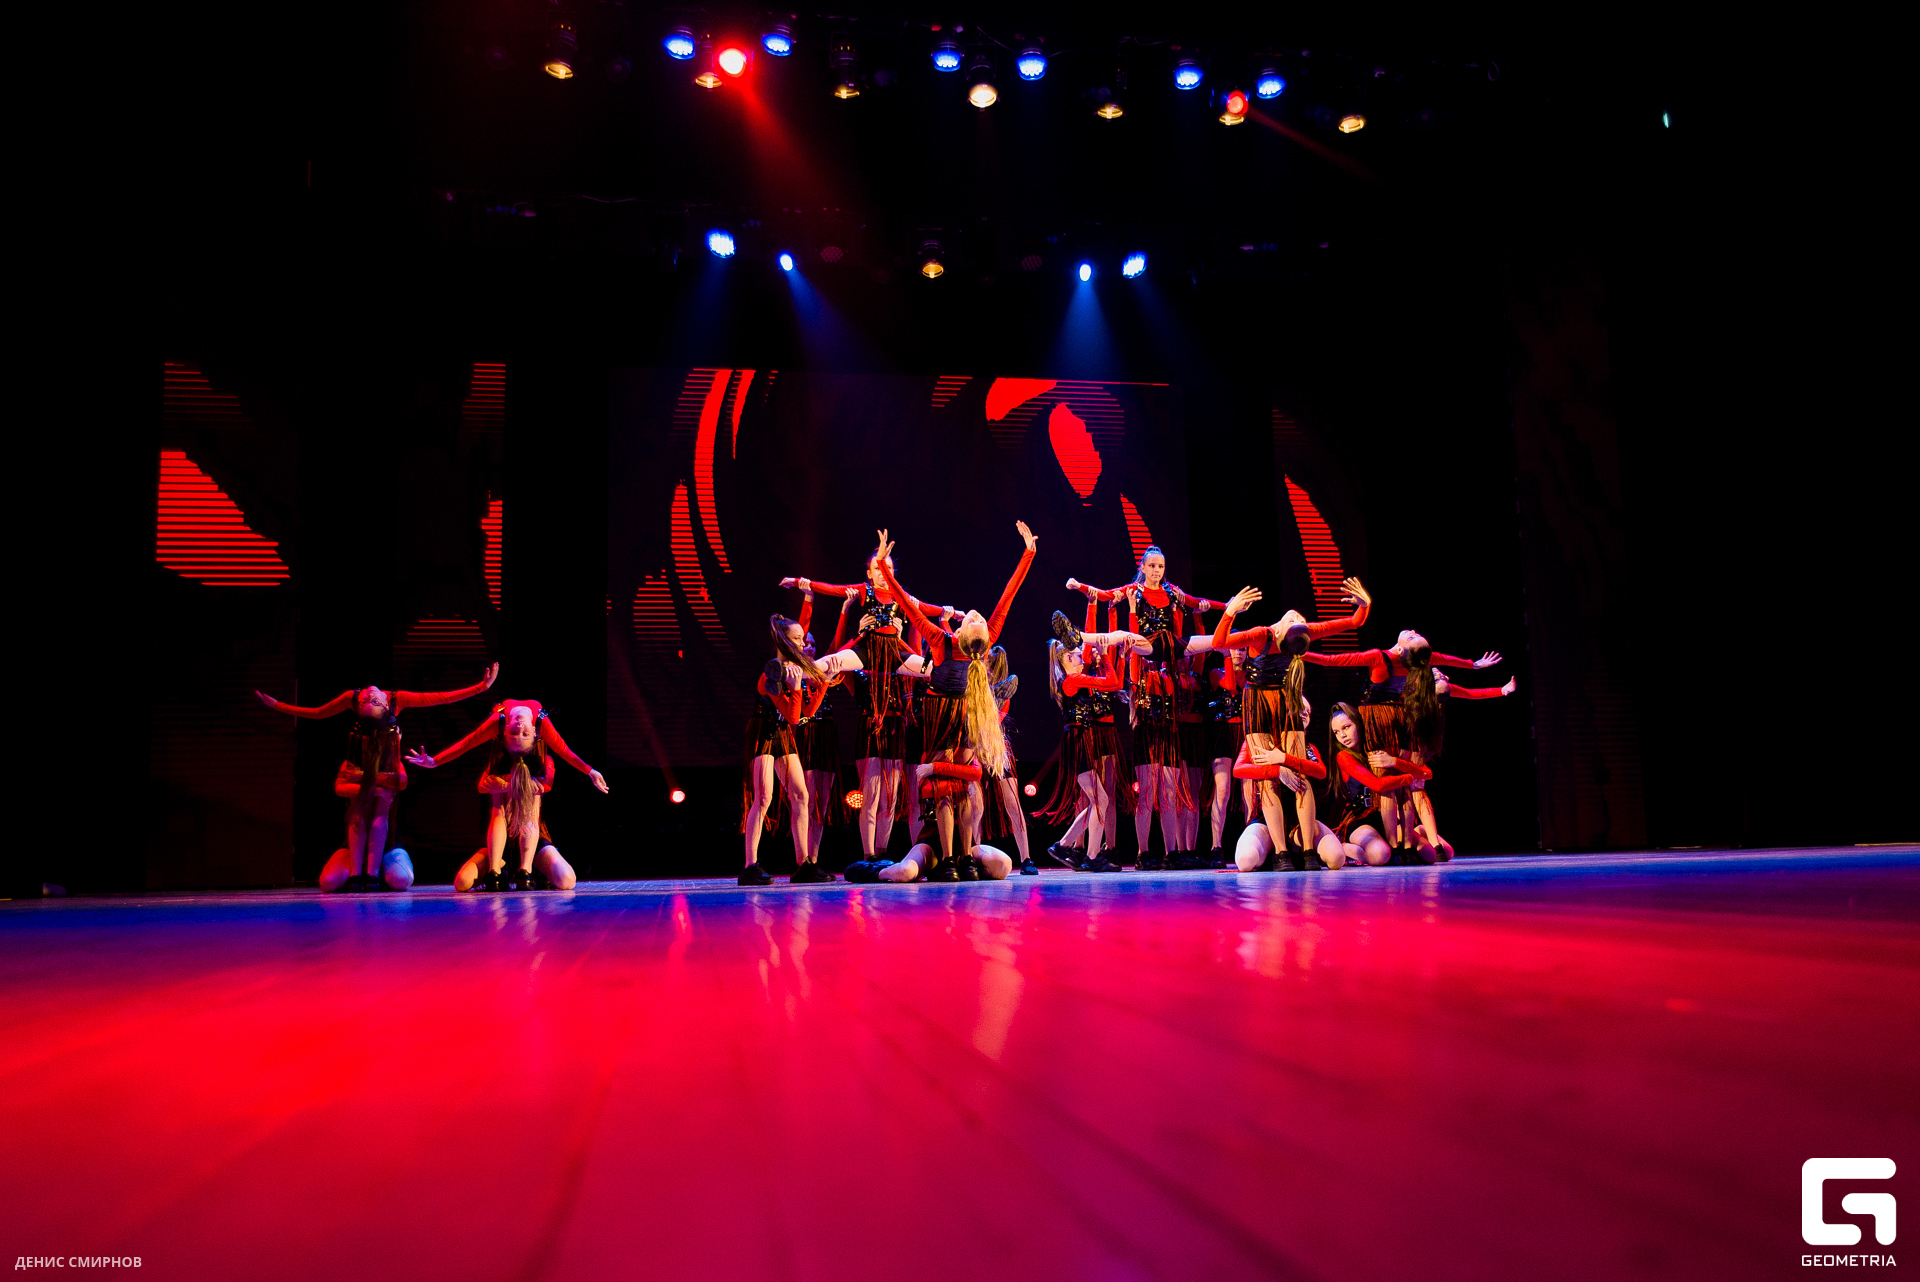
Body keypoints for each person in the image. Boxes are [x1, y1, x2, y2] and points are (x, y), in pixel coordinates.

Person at [871, 522, 1035, 879]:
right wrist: (1028, 554)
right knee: (950, 786)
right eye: (977, 619)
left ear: (962, 634)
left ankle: (956, 857)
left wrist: (882, 565)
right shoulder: (978, 639)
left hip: (955, 711)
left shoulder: (941, 639)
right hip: (954, 711)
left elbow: (905, 602)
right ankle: (949, 857)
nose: (975, 614)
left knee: (959, 786)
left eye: (975, 619)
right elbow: (1008, 596)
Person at [254, 665, 499, 891]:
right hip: (354, 845)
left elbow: (438, 698)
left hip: (389, 843)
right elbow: (319, 713)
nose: (367, 695)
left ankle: (372, 872)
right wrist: (278, 706)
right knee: (329, 881)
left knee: (399, 877)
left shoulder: (392, 749)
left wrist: (481, 687)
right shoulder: (351, 761)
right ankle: (359, 872)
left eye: (370, 701)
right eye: (365, 701)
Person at [780, 554, 955, 865]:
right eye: (877, 568)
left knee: (935, 670)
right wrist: (801, 583)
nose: (883, 574)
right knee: (832, 662)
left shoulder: (902, 597)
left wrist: (948, 614)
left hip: (894, 658)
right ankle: (794, 670)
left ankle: (883, 854)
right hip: (866, 653)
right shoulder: (864, 591)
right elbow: (833, 589)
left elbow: (926, 612)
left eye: (887, 569)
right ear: (869, 573)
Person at [1206, 581, 1370, 861]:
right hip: (1258, 702)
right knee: (1267, 777)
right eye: (1296, 620)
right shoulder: (1263, 634)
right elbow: (1218, 643)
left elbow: (1353, 623)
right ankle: (1281, 851)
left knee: (1300, 774)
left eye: (1299, 621)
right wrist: (1364, 606)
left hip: (1285, 700)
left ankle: (1307, 850)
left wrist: (1230, 613)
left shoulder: (1278, 633)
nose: (1298, 618)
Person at [407, 697, 609, 890]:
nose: (519, 728)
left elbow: (563, 752)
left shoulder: (542, 762)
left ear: (536, 733)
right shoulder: (496, 763)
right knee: (462, 883)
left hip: (532, 840)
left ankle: (527, 869)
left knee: (566, 880)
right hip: (499, 844)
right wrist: (434, 762)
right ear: (504, 733)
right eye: (515, 733)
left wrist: (590, 771)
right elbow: (468, 745)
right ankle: (497, 870)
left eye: (523, 734)